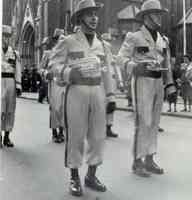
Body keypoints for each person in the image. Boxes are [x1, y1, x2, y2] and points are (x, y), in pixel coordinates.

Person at [48, 0, 115, 196]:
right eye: (89, 14)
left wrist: (110, 96)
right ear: (80, 17)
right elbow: (53, 65)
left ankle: (91, 175)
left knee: (98, 137)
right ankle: (74, 177)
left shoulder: (102, 44)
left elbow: (107, 71)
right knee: (75, 136)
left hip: (97, 92)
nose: (94, 17)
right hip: (76, 92)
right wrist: (69, 73)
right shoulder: (68, 41)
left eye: (95, 14)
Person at [116, 0, 176, 177]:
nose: (159, 17)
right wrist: (134, 66)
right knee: (143, 122)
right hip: (142, 80)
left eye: (160, 14)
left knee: (154, 122)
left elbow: (167, 65)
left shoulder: (163, 39)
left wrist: (170, 85)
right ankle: (137, 161)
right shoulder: (134, 37)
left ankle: (149, 159)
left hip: (158, 82)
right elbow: (120, 58)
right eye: (156, 14)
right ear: (146, 16)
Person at [1, 25, 22, 148]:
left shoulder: (14, 53)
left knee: (10, 110)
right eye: (4, 35)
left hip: (10, 82)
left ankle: (7, 137)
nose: (6, 38)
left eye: (8, 36)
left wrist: (18, 86)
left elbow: (18, 70)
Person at [101, 33, 122, 138]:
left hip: (112, 85)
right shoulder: (100, 57)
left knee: (111, 106)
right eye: (107, 41)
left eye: (110, 41)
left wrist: (120, 82)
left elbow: (116, 69)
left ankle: (108, 128)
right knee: (102, 107)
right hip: (102, 85)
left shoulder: (112, 57)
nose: (109, 43)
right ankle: (100, 128)